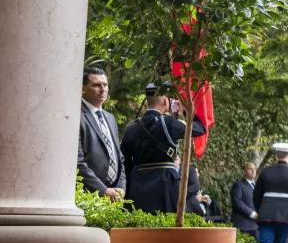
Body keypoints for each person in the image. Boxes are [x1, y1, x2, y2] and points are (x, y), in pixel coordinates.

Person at [121, 82, 207, 214]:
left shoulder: (131, 127)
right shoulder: (169, 122)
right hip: (165, 185)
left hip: (137, 187)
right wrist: (185, 110)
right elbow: (200, 128)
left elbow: (126, 163)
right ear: (164, 100)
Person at [77, 67, 126, 201]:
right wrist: (102, 190)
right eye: (96, 85)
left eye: (105, 85)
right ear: (83, 88)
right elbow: (77, 161)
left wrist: (121, 187)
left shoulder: (110, 118)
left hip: (114, 194)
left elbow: (119, 158)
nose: (103, 89)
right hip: (88, 195)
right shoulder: (76, 115)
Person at [230, 162, 259, 240]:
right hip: (242, 225)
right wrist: (253, 214)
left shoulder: (257, 186)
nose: (253, 171)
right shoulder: (238, 185)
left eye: (254, 169)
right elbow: (237, 202)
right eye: (250, 169)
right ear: (244, 171)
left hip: (255, 226)